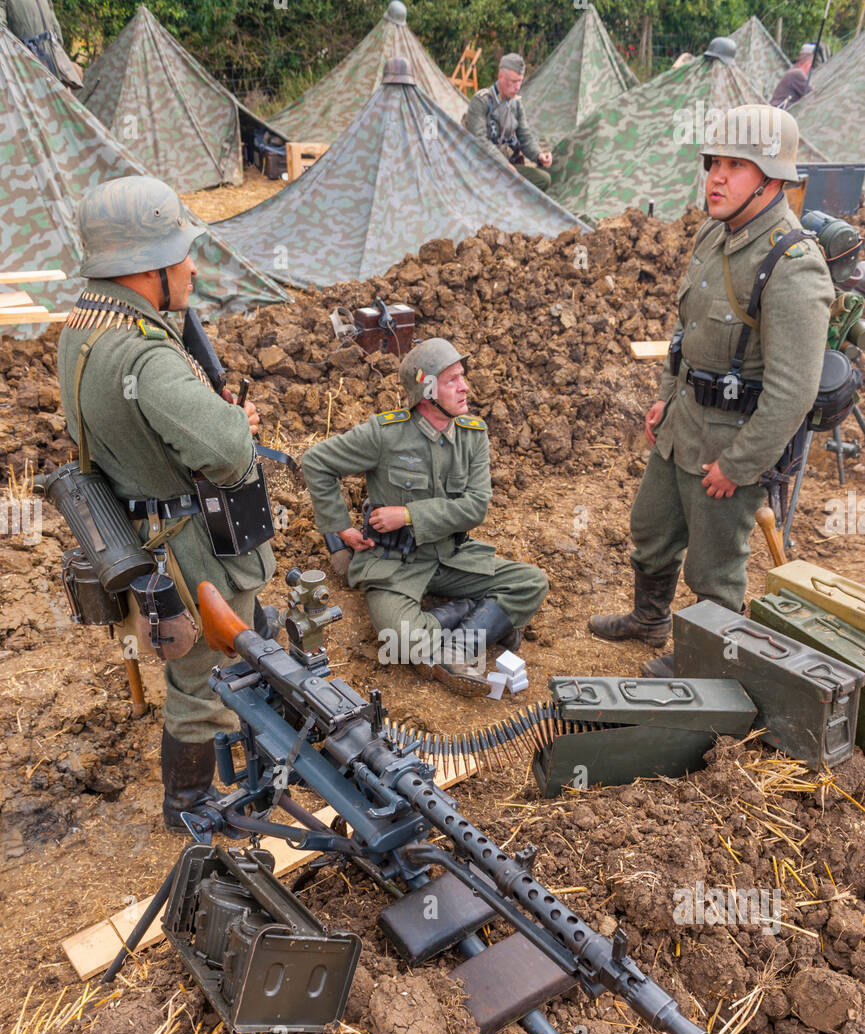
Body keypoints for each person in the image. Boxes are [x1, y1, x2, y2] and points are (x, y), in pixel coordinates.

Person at [57, 175, 276, 827]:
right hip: (187, 546)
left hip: (140, 518)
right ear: (148, 268)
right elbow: (229, 456)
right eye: (182, 253)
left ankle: (262, 734)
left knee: (249, 644)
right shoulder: (146, 357)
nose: (192, 265)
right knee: (201, 683)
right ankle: (190, 805)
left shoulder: (84, 325)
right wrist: (236, 424)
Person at [589, 105, 833, 674]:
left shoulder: (793, 264)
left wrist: (741, 465)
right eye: (713, 163)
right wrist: (666, 394)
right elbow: (686, 329)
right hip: (683, 422)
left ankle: (704, 663)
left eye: (735, 166)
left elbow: (792, 392)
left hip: (731, 442)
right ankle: (649, 619)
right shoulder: (714, 233)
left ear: (772, 180)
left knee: (715, 569)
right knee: (651, 529)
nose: (716, 178)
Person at [302, 338, 548, 696]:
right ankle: (478, 617)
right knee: (396, 639)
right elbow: (317, 462)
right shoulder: (385, 434)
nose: (464, 387)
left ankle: (458, 648)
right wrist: (340, 528)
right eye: (452, 380)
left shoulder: (473, 436)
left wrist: (407, 514)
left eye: (462, 376)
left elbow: (476, 506)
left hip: (449, 556)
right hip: (393, 564)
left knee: (531, 582)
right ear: (426, 391)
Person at [463, 53, 553, 192]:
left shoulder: (516, 104)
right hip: (482, 167)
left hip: (507, 168)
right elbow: (480, 141)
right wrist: (503, 164)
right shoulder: (481, 101)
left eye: (520, 81)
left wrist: (538, 155)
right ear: (500, 77)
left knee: (543, 179)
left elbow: (524, 135)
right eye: (513, 81)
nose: (517, 87)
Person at [770, 44, 815, 109]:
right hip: (780, 110)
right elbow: (812, 94)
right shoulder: (798, 73)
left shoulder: (792, 71)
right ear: (807, 65)